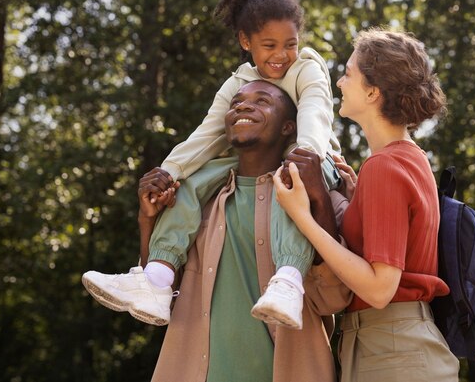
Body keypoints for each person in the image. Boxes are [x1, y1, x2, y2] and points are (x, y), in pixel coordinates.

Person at [82, 0, 341, 329]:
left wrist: (307, 153)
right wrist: (170, 173)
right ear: (245, 41)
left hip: (313, 157)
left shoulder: (307, 67)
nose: (282, 55)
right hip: (249, 161)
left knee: (288, 181)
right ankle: (156, 279)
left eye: (290, 44)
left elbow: (315, 110)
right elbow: (207, 135)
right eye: (269, 45)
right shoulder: (238, 82)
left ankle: (289, 279)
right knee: (192, 182)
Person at [273, 27, 461, 381]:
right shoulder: (411, 158)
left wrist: (302, 217)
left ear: (373, 92)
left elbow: (379, 289)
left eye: (347, 74)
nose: (340, 83)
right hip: (395, 344)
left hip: (391, 347)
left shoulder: (385, 167)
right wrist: (359, 198)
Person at [145, 80, 350, 382]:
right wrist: (146, 218)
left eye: (263, 100)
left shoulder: (320, 198)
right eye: (236, 102)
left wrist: (318, 196)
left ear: (288, 128)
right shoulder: (199, 200)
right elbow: (158, 298)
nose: (242, 105)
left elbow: (332, 300)